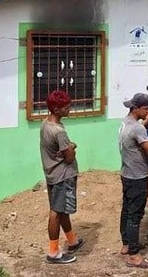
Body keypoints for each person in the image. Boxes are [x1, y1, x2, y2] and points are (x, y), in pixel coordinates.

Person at [39, 90, 84, 264]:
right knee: (56, 212)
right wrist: (72, 145)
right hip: (62, 176)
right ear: (56, 109)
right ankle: (53, 252)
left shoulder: (45, 124)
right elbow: (69, 156)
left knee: (61, 208)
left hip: (52, 174)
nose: (69, 110)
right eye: (66, 107)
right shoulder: (58, 131)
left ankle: (72, 241)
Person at [118, 93, 148, 269]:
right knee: (135, 215)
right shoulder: (138, 128)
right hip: (138, 175)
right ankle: (134, 255)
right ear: (136, 108)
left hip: (126, 172)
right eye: (146, 108)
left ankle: (127, 244)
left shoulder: (124, 122)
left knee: (127, 209)